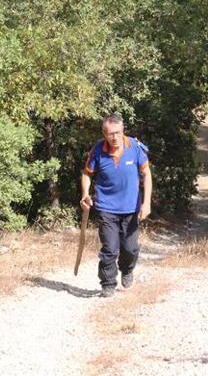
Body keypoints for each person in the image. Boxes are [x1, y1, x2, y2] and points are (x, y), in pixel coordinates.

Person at [81, 114, 152, 297]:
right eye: (111, 134)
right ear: (104, 134)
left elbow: (147, 174)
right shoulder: (97, 150)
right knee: (110, 248)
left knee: (130, 248)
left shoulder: (134, 147)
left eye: (118, 133)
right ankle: (108, 283)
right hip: (107, 207)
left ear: (123, 131)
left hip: (131, 208)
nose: (115, 137)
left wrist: (147, 203)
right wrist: (85, 194)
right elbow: (87, 173)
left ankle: (127, 269)